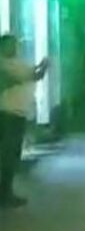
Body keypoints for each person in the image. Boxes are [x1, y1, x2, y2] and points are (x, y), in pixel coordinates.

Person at [0, 36, 48, 208]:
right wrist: (39, 69)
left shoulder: (17, 63)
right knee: (8, 155)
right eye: (10, 45)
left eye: (15, 44)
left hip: (18, 114)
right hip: (8, 114)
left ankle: (6, 192)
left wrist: (42, 67)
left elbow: (34, 75)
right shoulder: (3, 64)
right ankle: (4, 195)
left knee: (12, 155)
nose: (14, 47)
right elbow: (21, 77)